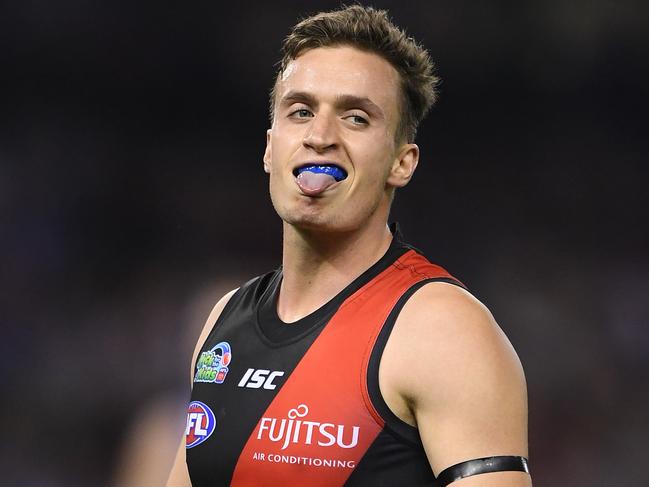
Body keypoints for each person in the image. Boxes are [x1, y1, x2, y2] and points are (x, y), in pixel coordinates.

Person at [166, 5, 531, 486]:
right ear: (270, 148)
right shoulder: (225, 320)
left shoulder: (443, 331)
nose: (320, 136)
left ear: (402, 162)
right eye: (300, 112)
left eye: (356, 118)